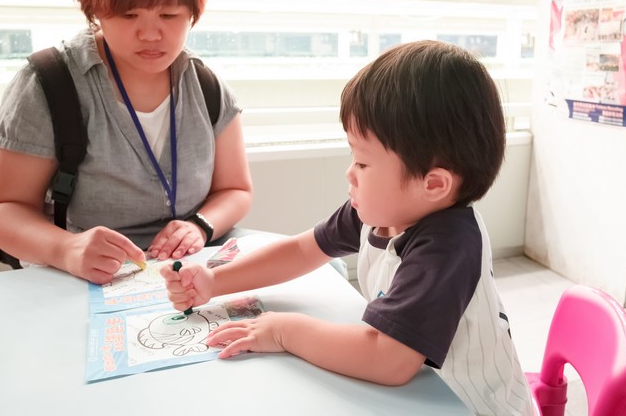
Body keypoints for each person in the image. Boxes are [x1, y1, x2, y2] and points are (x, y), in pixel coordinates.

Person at [161, 41, 533, 415]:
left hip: (471, 405)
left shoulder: (450, 244)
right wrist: (214, 282)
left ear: (433, 184)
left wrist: (284, 331)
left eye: (363, 163)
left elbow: (388, 359)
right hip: (415, 395)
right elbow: (303, 250)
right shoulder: (382, 210)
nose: (349, 173)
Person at [0, 0, 253, 285]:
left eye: (170, 15)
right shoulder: (49, 85)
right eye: (128, 15)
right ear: (94, 8)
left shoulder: (204, 85)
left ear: (193, 8)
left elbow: (236, 189)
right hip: (83, 277)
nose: (152, 33)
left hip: (188, 269)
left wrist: (201, 226)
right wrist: (67, 249)